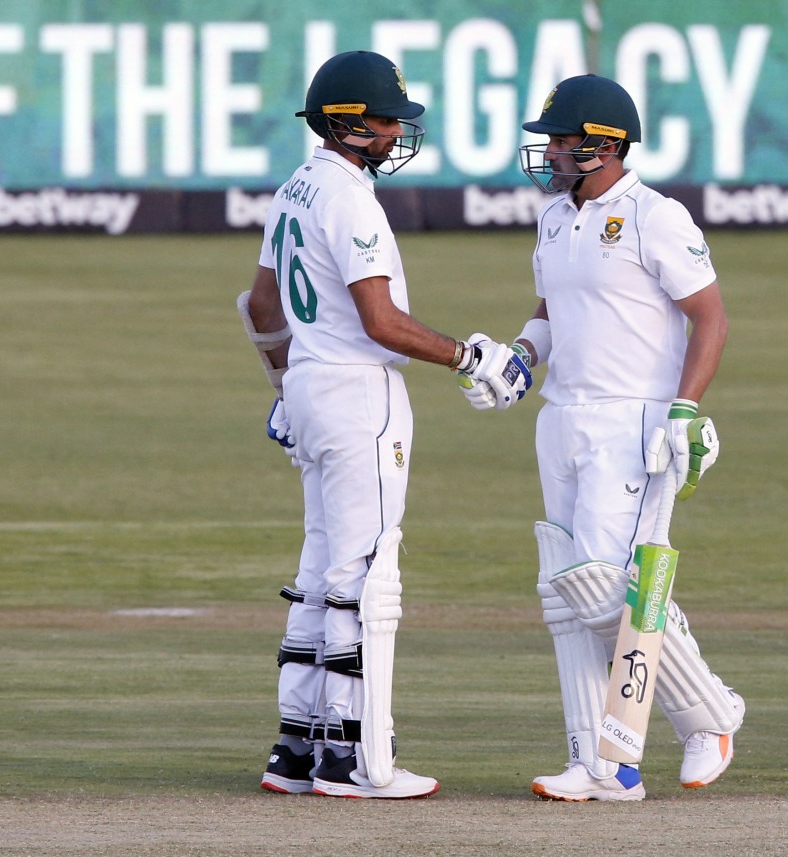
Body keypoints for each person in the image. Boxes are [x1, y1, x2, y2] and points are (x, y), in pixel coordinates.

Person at [237, 50, 530, 800]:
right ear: (349, 124)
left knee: (317, 569)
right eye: (386, 117)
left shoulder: (294, 187)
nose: (398, 129)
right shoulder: (352, 201)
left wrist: (285, 386)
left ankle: (295, 748)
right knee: (360, 577)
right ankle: (354, 756)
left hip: (309, 387)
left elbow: (261, 308)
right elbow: (382, 321)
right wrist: (470, 356)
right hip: (359, 394)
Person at [459, 74, 745, 802]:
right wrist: (521, 357)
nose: (549, 150)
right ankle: (599, 763)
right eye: (550, 137)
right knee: (568, 593)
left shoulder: (657, 216)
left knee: (602, 586)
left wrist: (686, 408)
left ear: (606, 145)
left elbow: (710, 317)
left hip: (634, 419)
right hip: (562, 416)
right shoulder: (556, 217)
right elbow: (553, 307)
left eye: (562, 138)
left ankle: (707, 714)